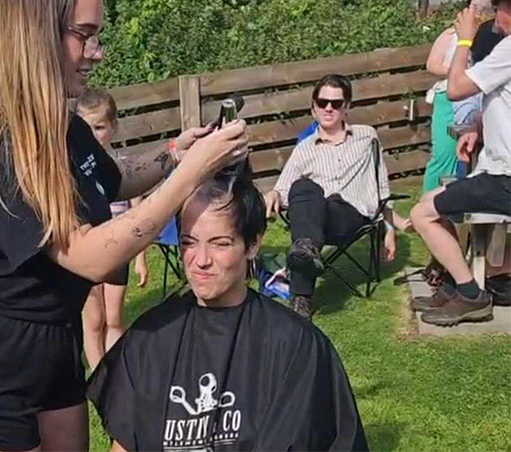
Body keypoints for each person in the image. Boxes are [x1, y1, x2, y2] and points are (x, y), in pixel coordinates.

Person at [0, 0, 248, 451]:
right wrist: (191, 173)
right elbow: (89, 254)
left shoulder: (64, 123)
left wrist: (173, 154)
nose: (95, 52)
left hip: (53, 337)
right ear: (37, 32)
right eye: (84, 34)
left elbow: (112, 181)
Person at [88, 167, 368, 452]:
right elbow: (123, 446)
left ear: (253, 244)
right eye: (189, 243)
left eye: (220, 244)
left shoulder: (296, 346)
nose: (201, 260)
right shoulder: (149, 339)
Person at [409, 0, 511, 327]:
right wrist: (478, 128)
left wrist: (465, 39)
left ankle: (470, 295)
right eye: (499, 3)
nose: (498, 10)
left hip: (505, 178)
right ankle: (457, 284)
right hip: (499, 172)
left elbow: (455, 89)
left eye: (505, 5)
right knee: (440, 200)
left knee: (423, 213)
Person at [265, 74, 400, 320]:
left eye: (336, 103)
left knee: (321, 207)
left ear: (346, 107)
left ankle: (301, 291)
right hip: (316, 219)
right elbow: (282, 190)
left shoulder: (366, 136)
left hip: (350, 215)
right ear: (313, 106)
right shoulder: (304, 148)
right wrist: (273, 193)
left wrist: (389, 228)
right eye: (322, 102)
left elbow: (381, 184)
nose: (329, 108)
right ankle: (305, 264)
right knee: (304, 187)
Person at [72, 88, 149, 370]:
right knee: (93, 319)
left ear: (113, 127)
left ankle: (115, 371)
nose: (94, 135)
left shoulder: (122, 167)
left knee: (114, 317)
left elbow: (137, 214)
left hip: (119, 251)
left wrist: (140, 258)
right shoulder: (74, 168)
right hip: (89, 249)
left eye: (101, 127)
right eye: (87, 127)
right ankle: (98, 375)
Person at [422, 0, 494, 193]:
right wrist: (460, 72)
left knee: (468, 154)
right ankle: (429, 200)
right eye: (475, 6)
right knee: (444, 153)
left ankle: (457, 206)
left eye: (484, 8)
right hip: (449, 96)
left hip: (478, 98)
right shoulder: (452, 34)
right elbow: (432, 64)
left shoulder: (492, 36)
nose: (479, 11)